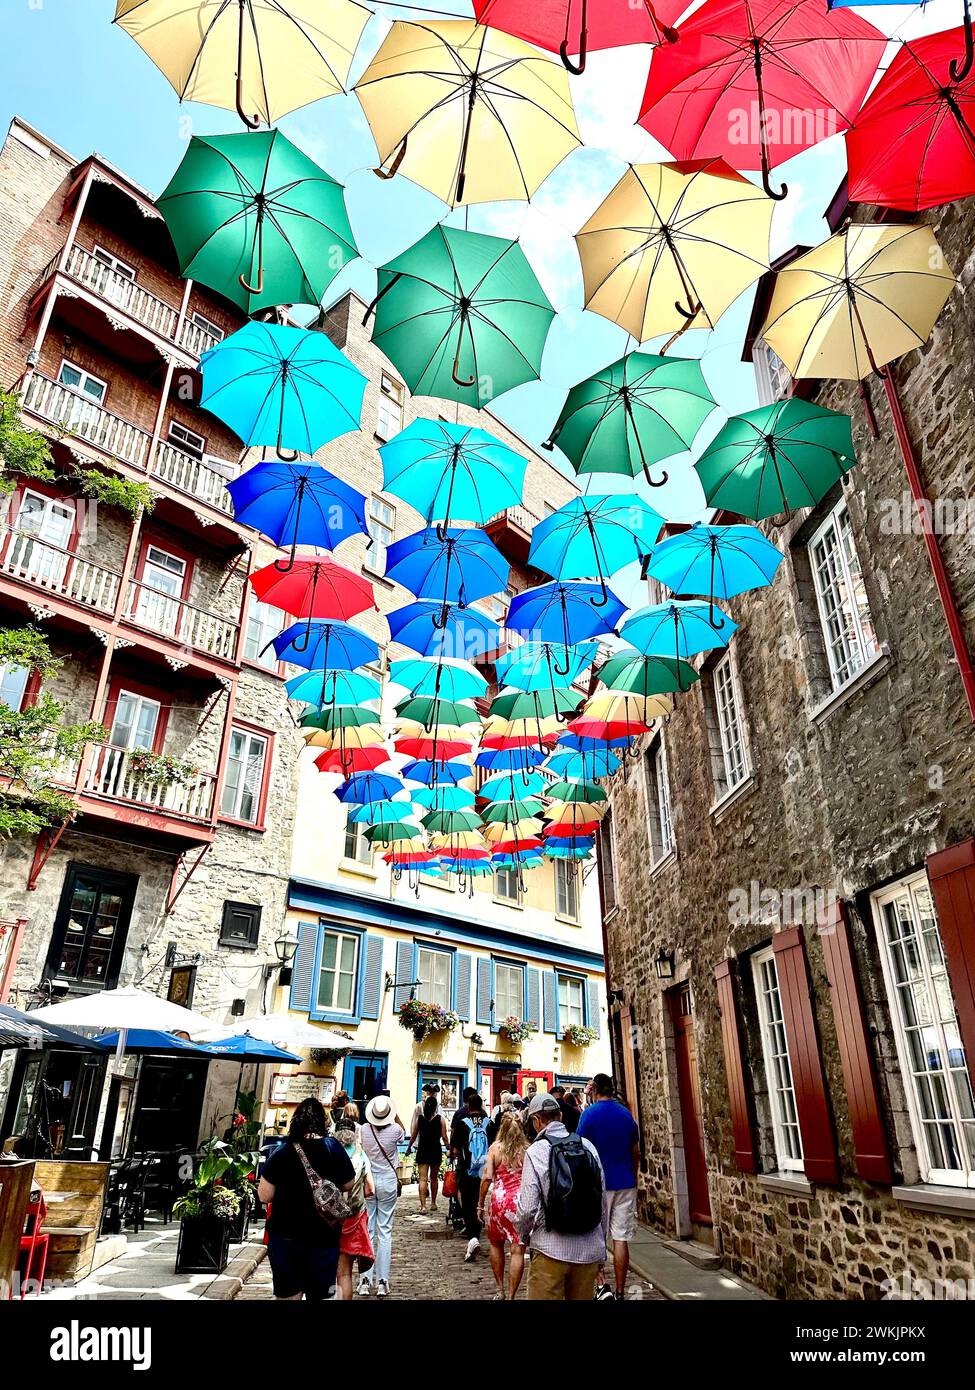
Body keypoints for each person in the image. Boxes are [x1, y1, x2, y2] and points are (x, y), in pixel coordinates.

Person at [257, 1097, 355, 1301]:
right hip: (323, 1237)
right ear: (322, 1122)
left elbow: (264, 1195)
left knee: (288, 1296)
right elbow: (349, 1183)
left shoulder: (283, 1151)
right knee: (320, 1295)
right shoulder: (332, 1147)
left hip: (286, 1238)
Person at [516, 1092, 606, 1301]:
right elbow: (602, 1202)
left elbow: (528, 1207)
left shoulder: (537, 1151)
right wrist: (601, 1246)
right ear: (560, 1117)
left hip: (550, 1250)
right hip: (587, 1251)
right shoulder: (588, 1146)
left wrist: (523, 1236)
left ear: (537, 1121)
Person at [577, 1074, 641, 1301]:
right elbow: (635, 1151)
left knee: (596, 1237)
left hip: (598, 1184)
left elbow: (580, 1151)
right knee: (621, 1238)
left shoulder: (589, 1115)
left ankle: (602, 1286)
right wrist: (633, 1176)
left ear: (594, 1090)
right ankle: (622, 1291)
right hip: (625, 1181)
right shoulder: (625, 1115)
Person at [478, 1111, 529, 1301]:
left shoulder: (495, 1149)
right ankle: (512, 1295)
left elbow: (487, 1178)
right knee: (518, 1249)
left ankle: (499, 1289)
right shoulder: (527, 1149)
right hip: (520, 1203)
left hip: (499, 1202)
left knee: (495, 1244)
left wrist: (480, 1204)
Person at [359, 1095, 405, 1297]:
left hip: (368, 1181)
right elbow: (403, 1133)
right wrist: (394, 1115)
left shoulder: (364, 1129)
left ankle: (364, 1280)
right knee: (385, 1231)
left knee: (367, 1231)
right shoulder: (395, 1130)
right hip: (387, 1180)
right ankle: (383, 1281)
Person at [333, 1113, 374, 1300]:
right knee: (345, 1273)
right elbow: (370, 1189)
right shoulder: (360, 1154)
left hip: (330, 1217)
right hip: (353, 1216)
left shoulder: (330, 1152)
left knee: (329, 1269)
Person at [449, 1091, 492, 1263]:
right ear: (481, 1106)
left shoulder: (462, 1123)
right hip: (485, 1171)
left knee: (467, 1203)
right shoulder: (490, 1123)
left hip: (467, 1170)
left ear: (468, 1106)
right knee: (479, 1201)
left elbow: (456, 1150)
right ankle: (477, 1227)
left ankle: (472, 1237)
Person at [407, 1093, 449, 1212]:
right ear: (436, 1107)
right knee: (434, 1178)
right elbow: (445, 1137)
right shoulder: (440, 1119)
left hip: (423, 1150)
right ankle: (434, 1203)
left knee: (422, 1179)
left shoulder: (419, 1119)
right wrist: (448, 1147)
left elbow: (413, 1136)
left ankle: (423, 1206)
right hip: (435, 1149)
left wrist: (409, 1147)